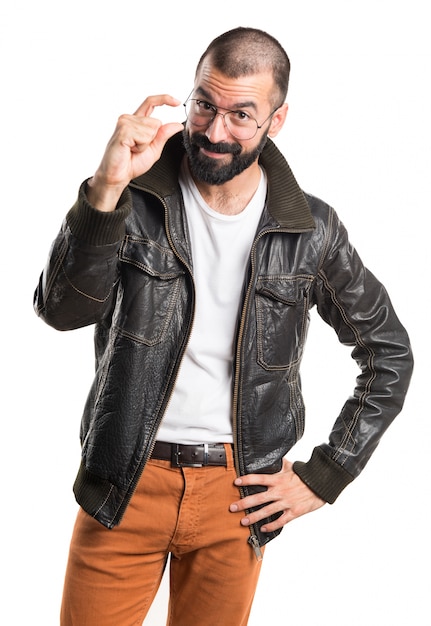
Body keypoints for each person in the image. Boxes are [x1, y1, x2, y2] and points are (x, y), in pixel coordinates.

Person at [34, 26, 413, 626]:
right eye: (205, 105)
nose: (215, 131)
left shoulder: (311, 229)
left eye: (242, 114)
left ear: (277, 120)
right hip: (123, 485)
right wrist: (105, 190)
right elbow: (62, 310)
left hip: (239, 498)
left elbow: (389, 353)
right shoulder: (133, 199)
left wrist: (327, 473)